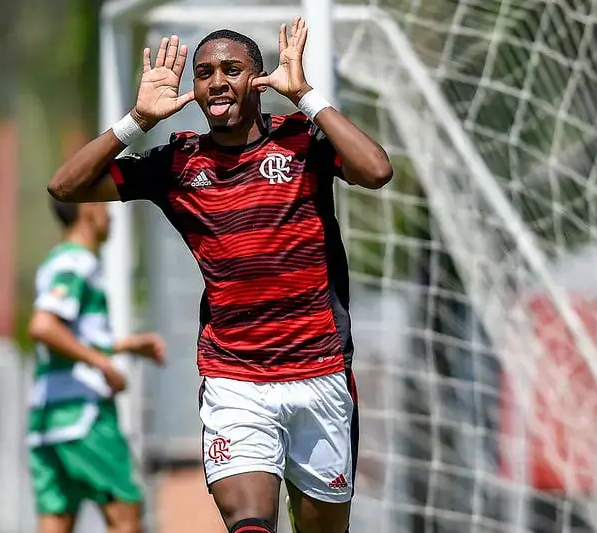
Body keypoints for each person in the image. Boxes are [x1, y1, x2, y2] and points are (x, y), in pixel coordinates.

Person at [47, 17, 392, 533]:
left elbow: (376, 170)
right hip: (236, 378)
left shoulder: (302, 140)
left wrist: (306, 95)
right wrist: (136, 120)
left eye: (233, 69)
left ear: (258, 79)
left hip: (319, 370)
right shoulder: (178, 162)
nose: (217, 81)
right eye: (204, 72)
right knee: (250, 521)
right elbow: (65, 186)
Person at [27, 199, 166, 533]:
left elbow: (69, 337)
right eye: (106, 206)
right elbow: (44, 326)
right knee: (126, 514)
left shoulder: (56, 260)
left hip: (47, 418)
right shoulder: (77, 262)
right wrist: (103, 363)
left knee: (56, 519)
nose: (111, 215)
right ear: (88, 208)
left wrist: (126, 345)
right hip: (84, 415)